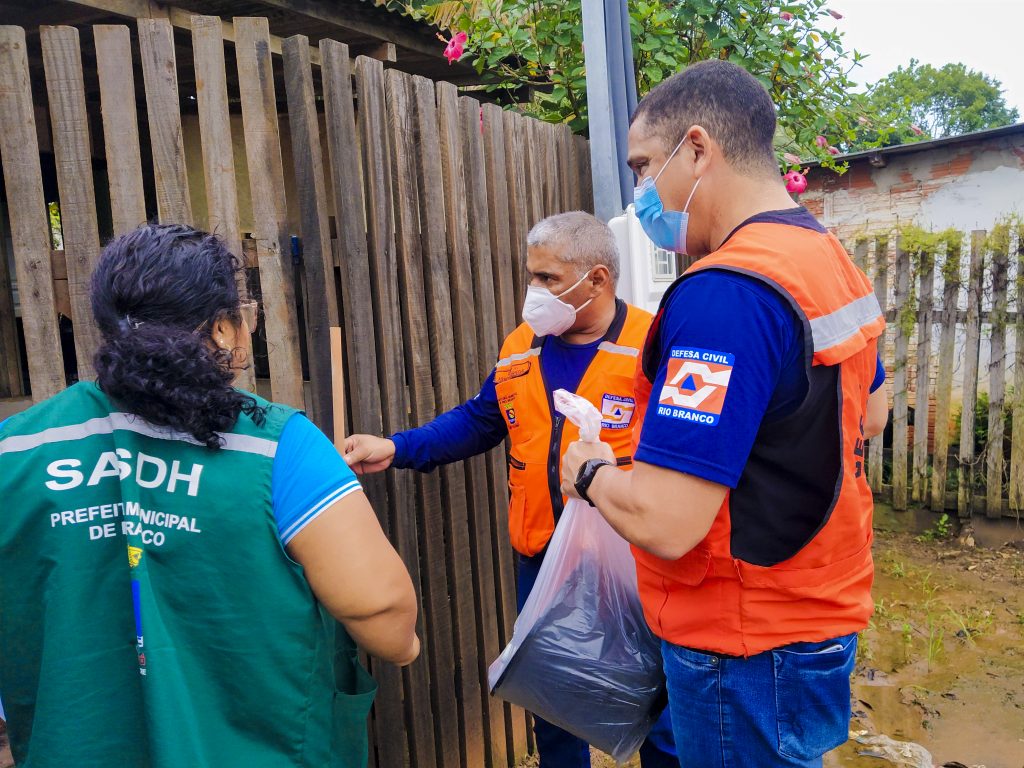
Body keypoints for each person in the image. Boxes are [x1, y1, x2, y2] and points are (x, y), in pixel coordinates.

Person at [561, 60, 890, 768]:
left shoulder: (724, 295)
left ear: (700, 149)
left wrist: (589, 471)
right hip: (817, 613)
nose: (641, 192)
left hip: (742, 640)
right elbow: (872, 416)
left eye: (645, 166)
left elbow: (666, 522)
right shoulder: (826, 258)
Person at [0, 224, 419, 767]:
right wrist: (406, 646)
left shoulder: (16, 449)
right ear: (222, 328)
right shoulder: (278, 446)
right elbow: (383, 612)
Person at [343, 211, 676, 768]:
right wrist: (398, 447)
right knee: (550, 698)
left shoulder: (653, 345)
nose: (534, 291)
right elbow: (481, 420)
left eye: (548, 278)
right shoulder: (522, 345)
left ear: (597, 279)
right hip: (542, 558)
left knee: (657, 708)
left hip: (634, 565)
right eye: (532, 276)